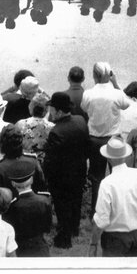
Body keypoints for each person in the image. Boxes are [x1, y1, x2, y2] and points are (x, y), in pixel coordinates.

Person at [89, 136, 137, 257]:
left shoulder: (107, 183)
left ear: (108, 158)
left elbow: (102, 220)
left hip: (115, 240)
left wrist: (93, 244)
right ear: (126, 155)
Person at [80, 62, 130, 216]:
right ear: (110, 75)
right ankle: (118, 207)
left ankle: (97, 209)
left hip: (94, 138)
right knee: (118, 173)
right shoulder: (116, 93)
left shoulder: (88, 93)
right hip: (113, 138)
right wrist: (116, 84)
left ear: (94, 75)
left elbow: (84, 108)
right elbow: (126, 104)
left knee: (97, 177)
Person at [44, 91, 89, 249]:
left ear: (59, 111)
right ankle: (74, 230)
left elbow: (50, 161)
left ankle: (64, 239)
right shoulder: (80, 120)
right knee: (76, 202)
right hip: (79, 170)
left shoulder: (56, 132)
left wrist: (47, 178)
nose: (50, 112)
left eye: (52, 109)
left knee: (62, 207)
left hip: (61, 176)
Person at [3, 172, 53, 257]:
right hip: (40, 246)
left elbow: (9, 229)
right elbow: (48, 227)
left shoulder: (12, 206)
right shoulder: (44, 200)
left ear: (13, 184)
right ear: (32, 181)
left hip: (20, 248)